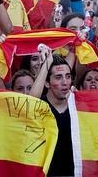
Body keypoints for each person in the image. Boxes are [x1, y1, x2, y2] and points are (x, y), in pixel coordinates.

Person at [31, 48, 73, 177]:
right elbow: (31, 101)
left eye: (68, 76)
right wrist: (47, 63)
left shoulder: (77, 107)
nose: (65, 82)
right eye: (58, 77)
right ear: (47, 83)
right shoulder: (40, 106)